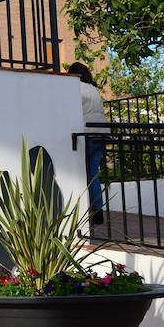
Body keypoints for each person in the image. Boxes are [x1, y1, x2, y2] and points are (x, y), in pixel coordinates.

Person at [67, 62, 108, 224]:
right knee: (94, 173)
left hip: (87, 134)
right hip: (102, 134)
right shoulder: (94, 89)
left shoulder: (75, 88)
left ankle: (89, 210)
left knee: (82, 173)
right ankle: (98, 211)